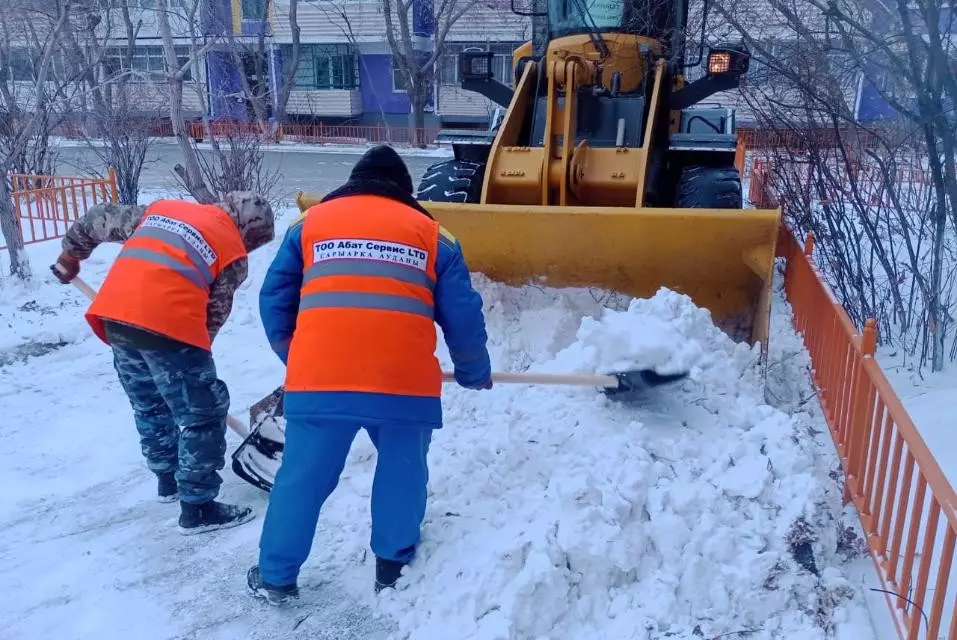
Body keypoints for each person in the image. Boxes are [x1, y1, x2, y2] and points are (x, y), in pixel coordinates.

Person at [246, 145, 492, 605]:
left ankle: (277, 577)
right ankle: (392, 567)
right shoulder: (436, 237)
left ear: (352, 184)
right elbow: (463, 315)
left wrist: (296, 356)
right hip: (403, 382)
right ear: (405, 191)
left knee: (301, 479)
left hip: (319, 379)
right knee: (403, 470)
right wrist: (474, 370)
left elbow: (273, 298)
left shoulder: (309, 226)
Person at [50, 192, 275, 535]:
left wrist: (70, 255)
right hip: (167, 324)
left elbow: (99, 217)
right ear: (248, 232)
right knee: (204, 412)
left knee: (149, 402)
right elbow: (213, 314)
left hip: (116, 316)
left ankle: (167, 480)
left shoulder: (162, 210)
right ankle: (198, 508)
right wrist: (193, 370)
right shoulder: (232, 251)